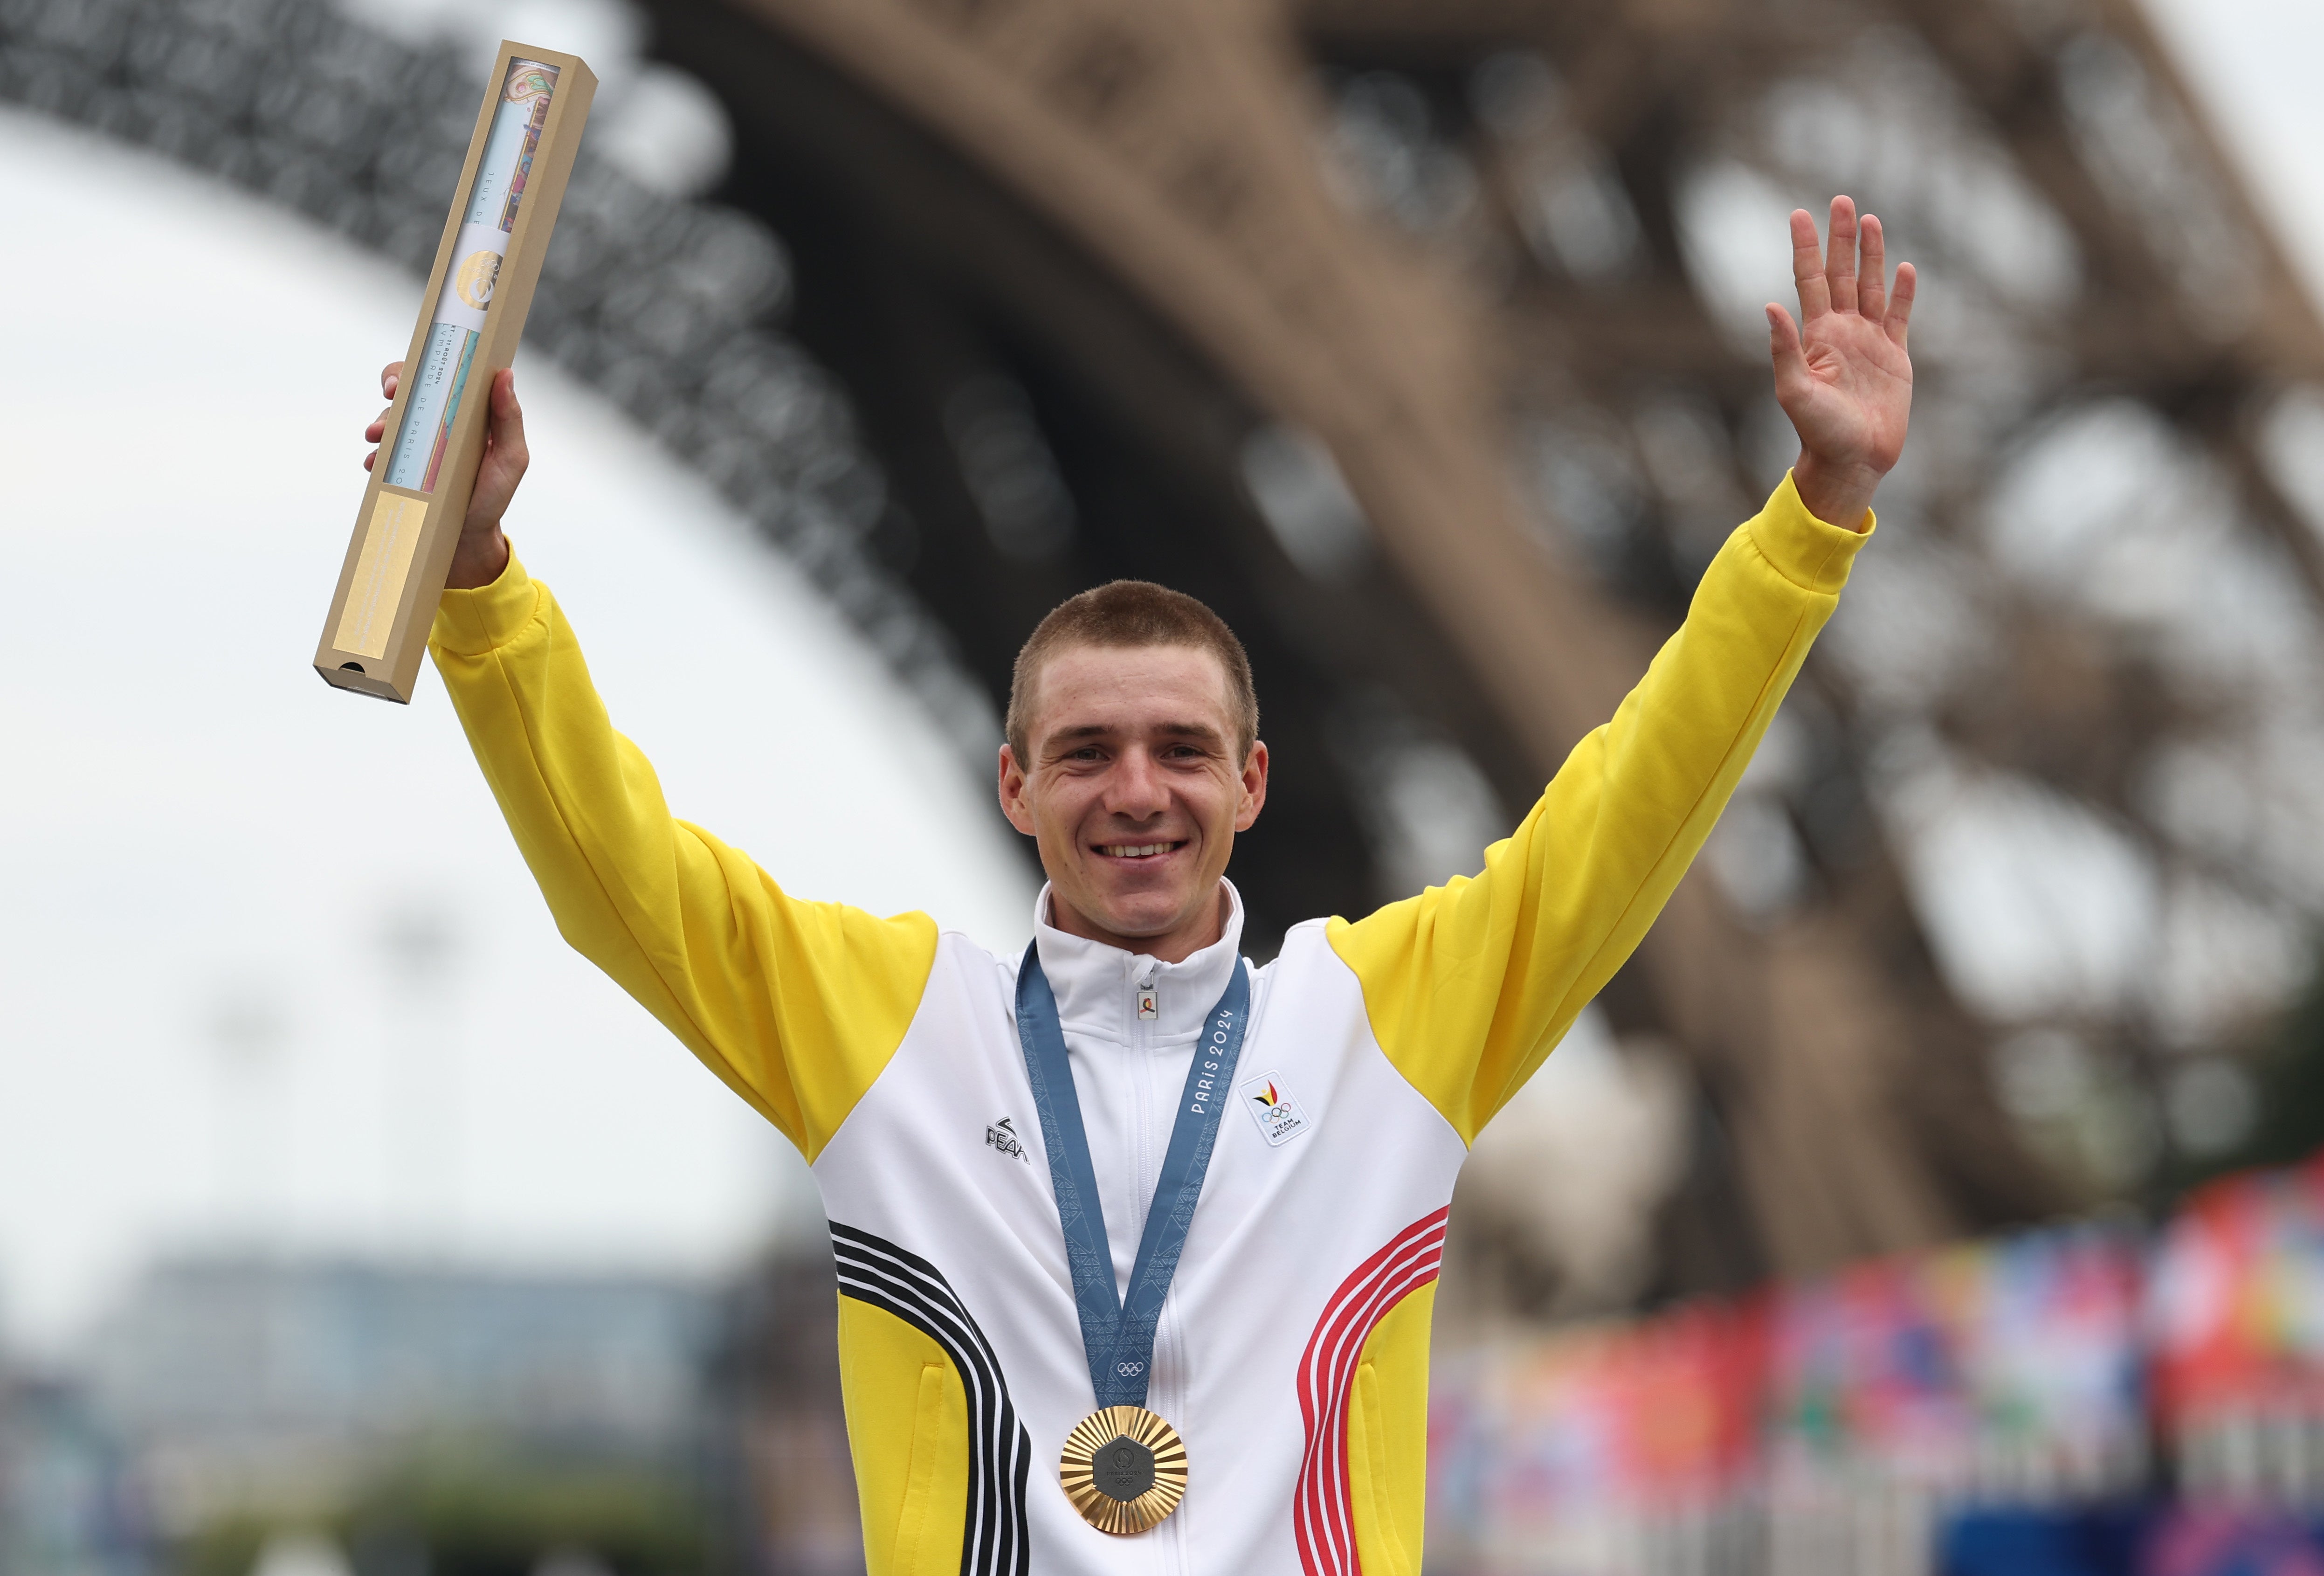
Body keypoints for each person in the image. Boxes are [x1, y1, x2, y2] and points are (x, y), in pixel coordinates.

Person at [366, 196, 1912, 1575]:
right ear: (1015, 785)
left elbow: (1627, 811)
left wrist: (1810, 521)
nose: (1135, 790)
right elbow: (613, 868)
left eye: (1181, 748)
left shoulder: (1383, 1023)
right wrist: (486, 587)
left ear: (1249, 784)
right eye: (1087, 749)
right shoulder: (882, 1022)